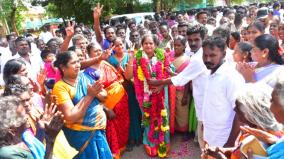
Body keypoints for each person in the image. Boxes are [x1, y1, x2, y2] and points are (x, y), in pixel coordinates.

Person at [147, 25, 208, 150]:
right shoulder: (196, 54)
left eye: (196, 40)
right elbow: (184, 76)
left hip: (206, 102)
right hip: (202, 100)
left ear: (204, 38)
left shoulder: (197, 58)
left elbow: (182, 78)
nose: (193, 43)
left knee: (206, 141)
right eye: (190, 40)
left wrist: (159, 83)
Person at [52, 51, 112, 159]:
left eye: (78, 61)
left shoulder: (83, 77)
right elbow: (70, 117)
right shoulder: (60, 87)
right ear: (63, 67)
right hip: (81, 136)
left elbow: (104, 95)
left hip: (98, 130)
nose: (78, 65)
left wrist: (96, 93)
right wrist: (90, 96)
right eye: (73, 63)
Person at [86, 42, 130, 158]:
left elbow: (118, 77)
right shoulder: (88, 71)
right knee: (113, 127)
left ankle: (124, 145)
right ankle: (116, 150)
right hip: (108, 103)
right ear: (89, 55)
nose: (99, 53)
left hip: (121, 98)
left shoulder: (105, 63)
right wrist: (105, 108)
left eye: (100, 50)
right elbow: (94, 93)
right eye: (95, 51)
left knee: (124, 124)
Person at [201, 36, 245, 147]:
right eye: (205, 55)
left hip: (223, 140)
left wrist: (229, 144)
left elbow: (241, 114)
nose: (207, 60)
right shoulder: (209, 72)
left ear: (224, 54)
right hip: (210, 135)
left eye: (212, 55)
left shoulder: (231, 77)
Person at [133, 34, 170, 157]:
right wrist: (142, 95)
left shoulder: (163, 55)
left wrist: (161, 85)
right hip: (144, 95)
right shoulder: (137, 58)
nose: (148, 45)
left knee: (162, 116)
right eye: (145, 43)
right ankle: (149, 142)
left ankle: (164, 142)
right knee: (148, 117)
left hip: (161, 93)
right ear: (142, 45)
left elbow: (168, 72)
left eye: (151, 43)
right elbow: (135, 79)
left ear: (155, 45)